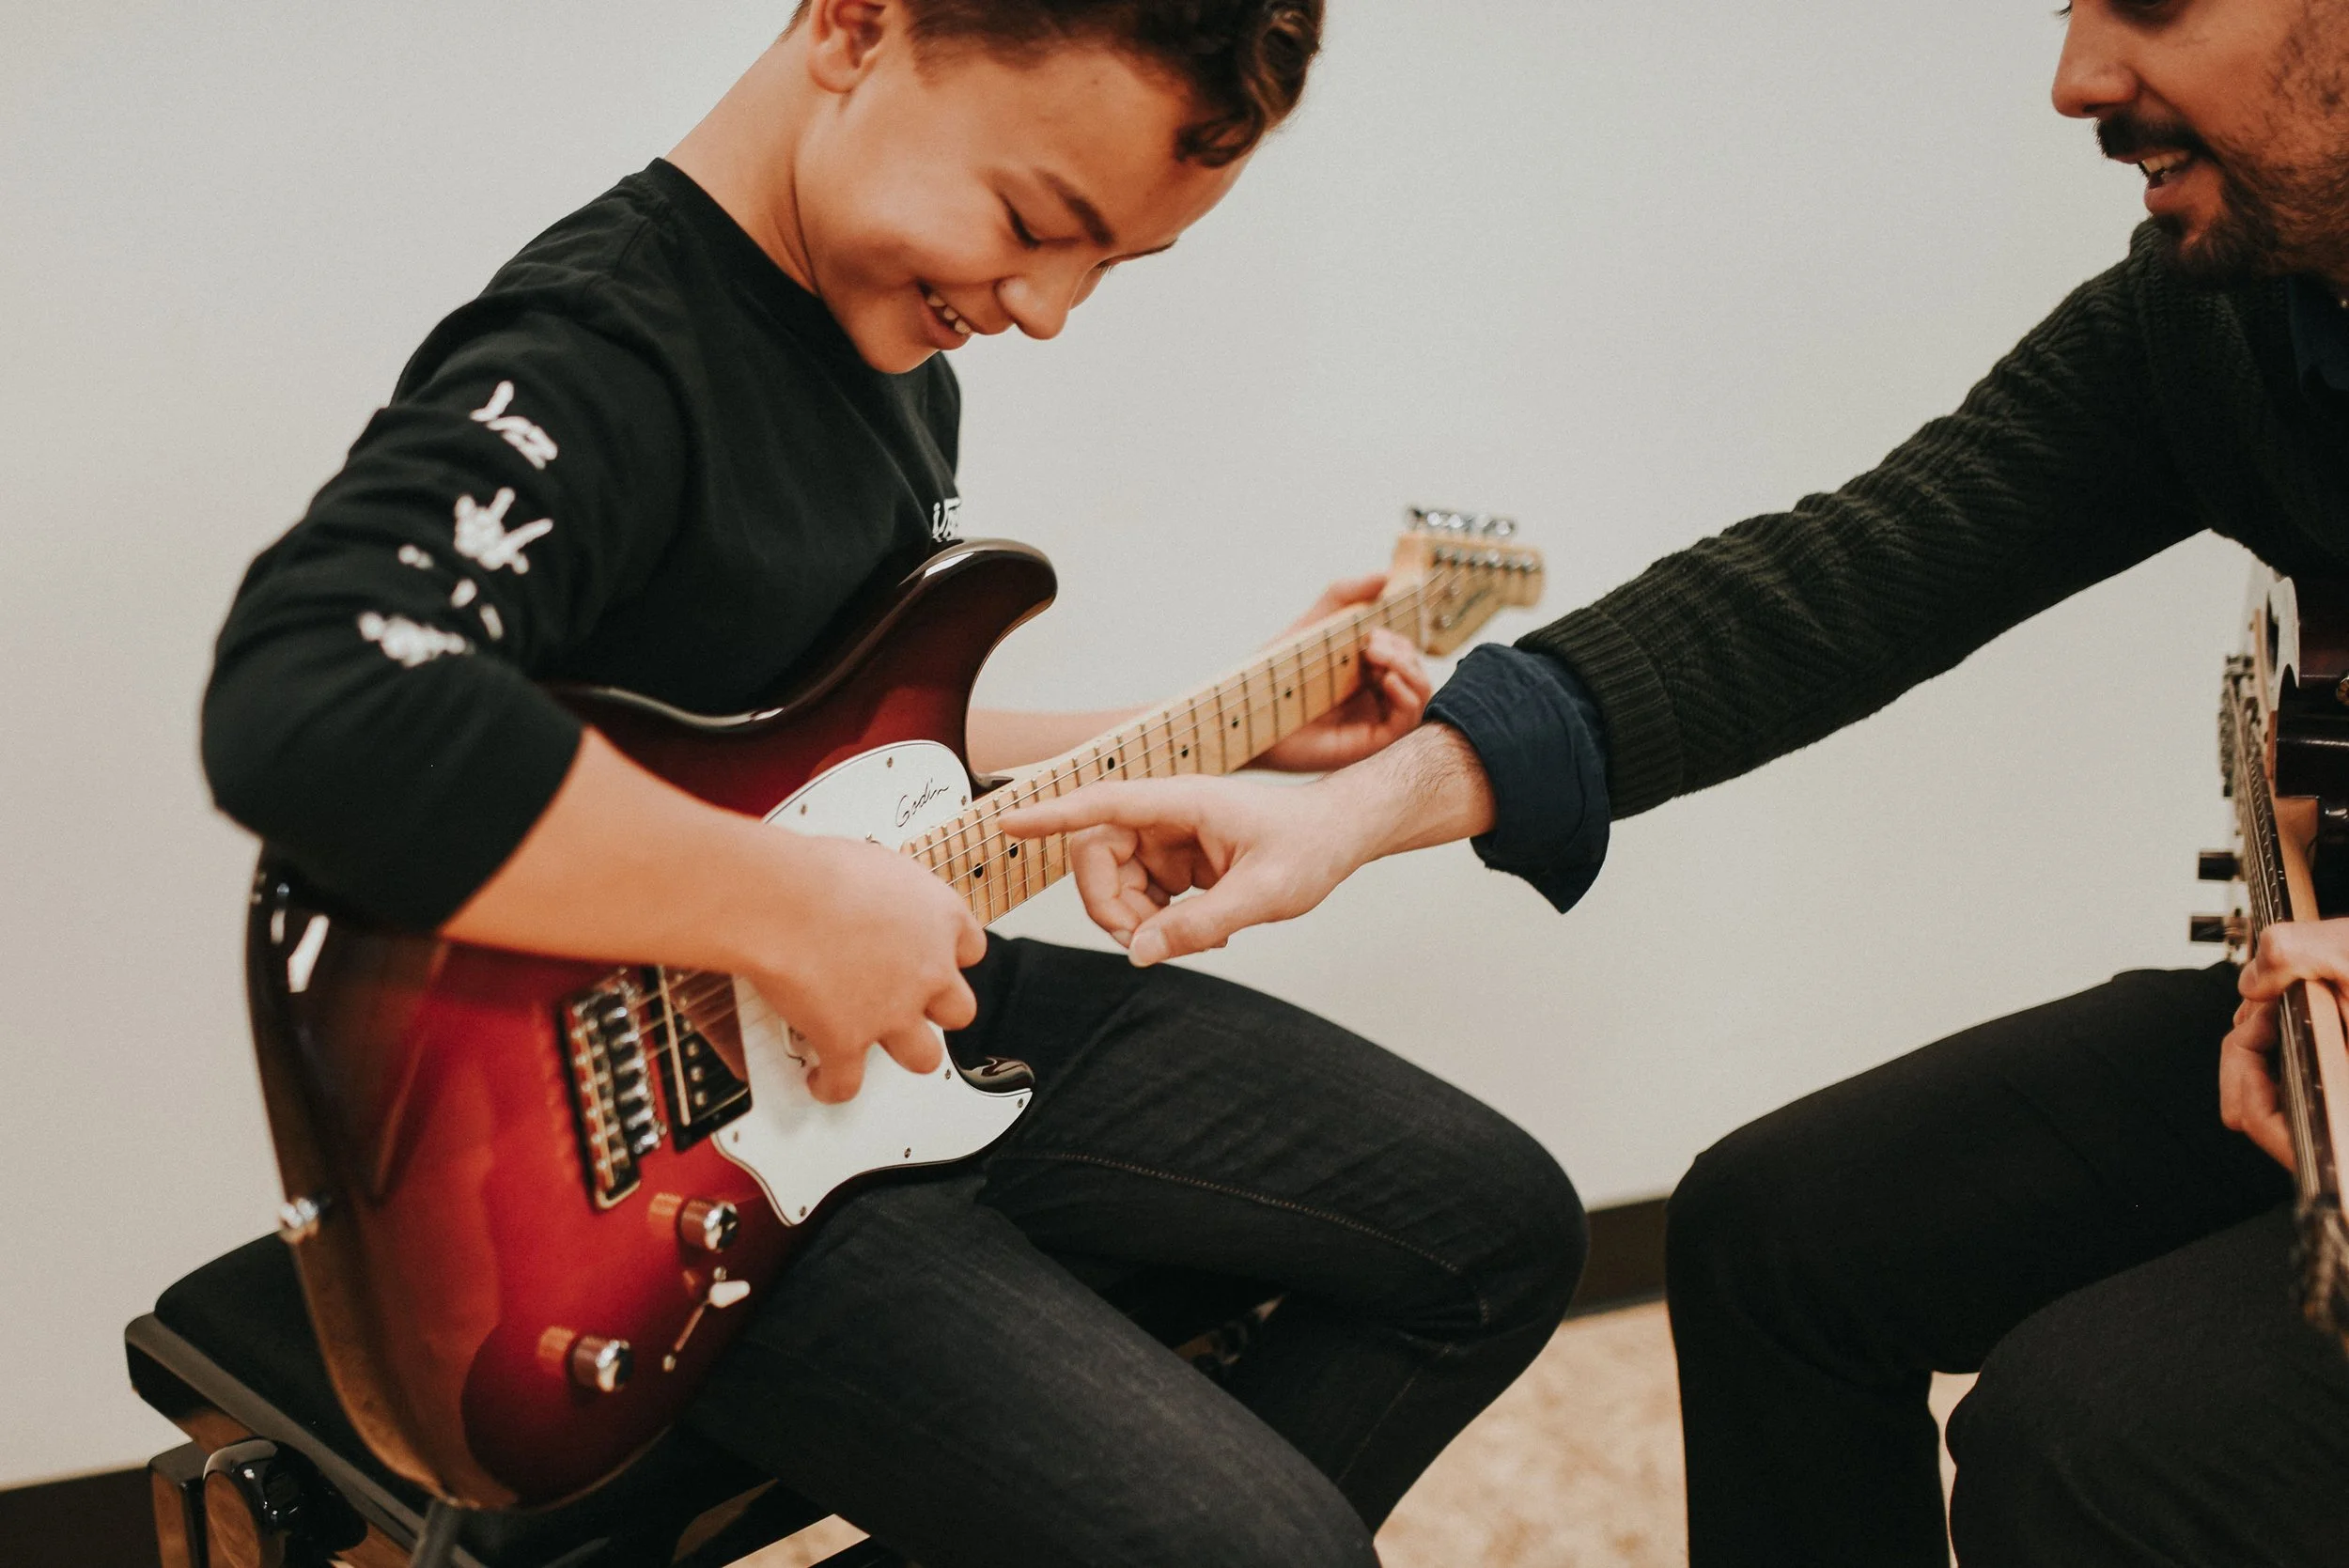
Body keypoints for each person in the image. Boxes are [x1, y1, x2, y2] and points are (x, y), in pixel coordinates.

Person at [198, 4, 1590, 1563]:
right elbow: (314, 697)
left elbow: (843, 757)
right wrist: (790, 910)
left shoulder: (889, 340)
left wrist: (1216, 730)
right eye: (1033, 223)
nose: (1052, 308)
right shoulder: (601, 356)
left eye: (1112, 263)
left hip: (870, 1042)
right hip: (653, 1169)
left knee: (1496, 1230)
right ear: (858, 26)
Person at [1003, 1, 2349, 1561]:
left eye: (2159, 1)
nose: (2078, 82)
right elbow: (1845, 581)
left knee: (2089, 1438)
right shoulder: (2229, 318)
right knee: (1771, 1239)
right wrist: (1350, 814)